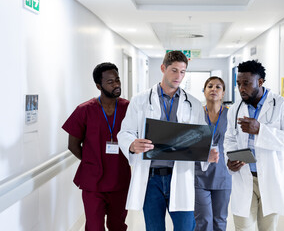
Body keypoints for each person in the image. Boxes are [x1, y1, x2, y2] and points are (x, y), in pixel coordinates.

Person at [117, 51, 219, 231]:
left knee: (186, 227)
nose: (178, 76)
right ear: (163, 68)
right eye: (174, 70)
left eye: (182, 71)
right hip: (151, 179)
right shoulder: (140, 100)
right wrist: (132, 144)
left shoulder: (193, 104)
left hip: (180, 176)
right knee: (154, 228)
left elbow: (202, 138)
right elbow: (125, 132)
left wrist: (207, 153)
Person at [224, 60, 284, 231]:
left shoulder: (283, 106)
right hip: (245, 177)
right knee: (243, 227)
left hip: (270, 177)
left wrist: (261, 130)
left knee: (268, 229)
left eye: (246, 83)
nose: (241, 88)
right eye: (238, 84)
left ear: (260, 82)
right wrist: (229, 160)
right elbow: (229, 139)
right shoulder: (235, 108)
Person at [62, 62, 131, 231]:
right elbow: (73, 145)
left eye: (117, 80)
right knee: (94, 227)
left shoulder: (128, 108)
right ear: (99, 86)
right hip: (94, 182)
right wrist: (91, 161)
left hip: (119, 180)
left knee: (118, 225)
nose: (116, 84)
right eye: (110, 82)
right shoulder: (84, 110)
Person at [194, 77, 232, 231]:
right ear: (204, 91)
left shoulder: (231, 116)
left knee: (220, 220)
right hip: (199, 175)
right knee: (203, 220)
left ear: (223, 93)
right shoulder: (195, 114)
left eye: (218, 87)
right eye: (210, 86)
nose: (213, 89)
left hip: (223, 175)